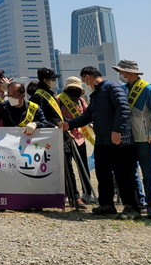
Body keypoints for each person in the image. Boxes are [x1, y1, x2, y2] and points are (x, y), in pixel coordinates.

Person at [60, 66, 142, 220]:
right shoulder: (96, 95)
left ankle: (132, 207)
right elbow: (87, 116)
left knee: (123, 175)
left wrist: (117, 130)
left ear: (88, 76)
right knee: (102, 174)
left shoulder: (112, 87)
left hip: (120, 141)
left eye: (84, 80)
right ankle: (106, 205)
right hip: (103, 141)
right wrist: (69, 124)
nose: (85, 84)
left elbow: (123, 109)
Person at [113, 60, 151, 220]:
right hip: (127, 138)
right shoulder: (123, 89)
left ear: (129, 72)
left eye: (121, 72)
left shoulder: (147, 89)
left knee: (148, 174)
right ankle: (137, 203)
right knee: (130, 174)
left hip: (144, 138)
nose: (120, 75)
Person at [57, 76, 94, 209]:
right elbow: (56, 118)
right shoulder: (59, 99)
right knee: (68, 167)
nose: (74, 90)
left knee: (83, 165)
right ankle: (72, 194)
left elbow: (87, 115)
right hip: (65, 137)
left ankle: (87, 193)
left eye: (76, 88)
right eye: (72, 88)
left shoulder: (81, 100)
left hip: (79, 137)